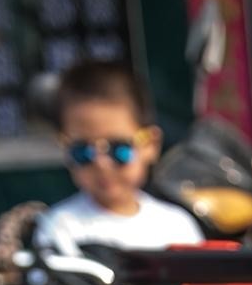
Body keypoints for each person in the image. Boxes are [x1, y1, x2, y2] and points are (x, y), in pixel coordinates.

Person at [34, 60, 203, 254]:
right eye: (82, 151)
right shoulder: (59, 229)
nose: (101, 163)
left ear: (151, 145)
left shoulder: (178, 226)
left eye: (118, 149)